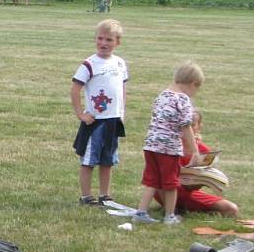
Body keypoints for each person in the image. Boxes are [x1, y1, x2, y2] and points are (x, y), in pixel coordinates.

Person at [133, 61, 204, 225]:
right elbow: (185, 126)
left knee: (152, 180)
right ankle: (169, 216)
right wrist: (194, 150)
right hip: (168, 149)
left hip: (151, 145)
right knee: (171, 183)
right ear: (193, 83)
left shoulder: (162, 95)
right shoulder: (183, 99)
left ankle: (141, 212)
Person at [70, 19, 128, 207]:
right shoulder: (89, 64)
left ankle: (105, 195)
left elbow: (122, 89)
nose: (103, 43)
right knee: (89, 160)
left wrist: (121, 112)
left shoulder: (120, 64)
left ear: (117, 42)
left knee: (108, 159)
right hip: (95, 122)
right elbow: (75, 89)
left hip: (113, 121)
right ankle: (86, 196)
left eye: (109, 40)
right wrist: (81, 114)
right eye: (100, 38)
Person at [154, 109, 238, 217]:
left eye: (192, 125)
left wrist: (205, 179)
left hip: (187, 193)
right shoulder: (170, 147)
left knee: (231, 209)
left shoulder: (203, 150)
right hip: (165, 191)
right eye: (183, 125)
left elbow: (192, 187)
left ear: (199, 126)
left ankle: (184, 210)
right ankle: (170, 210)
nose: (186, 129)